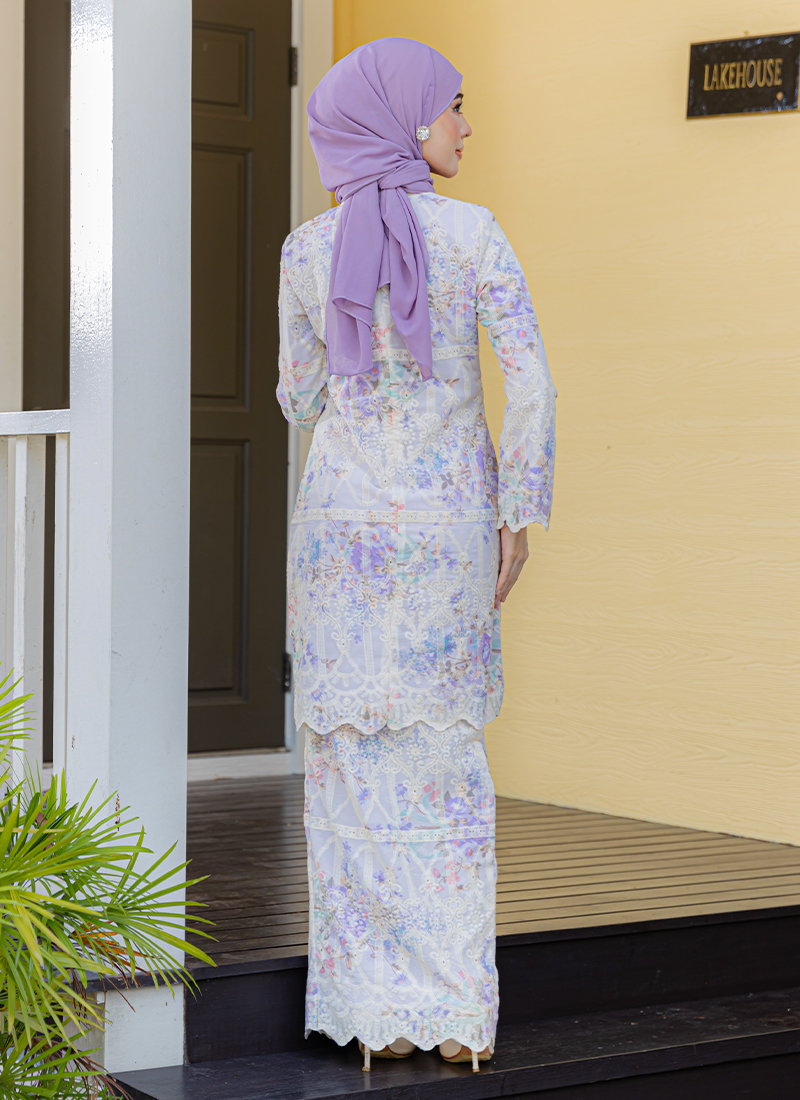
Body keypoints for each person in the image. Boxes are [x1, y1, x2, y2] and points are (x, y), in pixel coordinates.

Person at [276, 37, 556, 1073]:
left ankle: (373, 1018)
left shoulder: (306, 251)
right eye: (451, 107)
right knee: (444, 773)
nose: (464, 126)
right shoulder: (474, 235)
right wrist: (517, 510)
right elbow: (531, 383)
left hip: (341, 537)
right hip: (445, 534)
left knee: (349, 771)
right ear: (401, 119)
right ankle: (449, 1014)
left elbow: (300, 397)